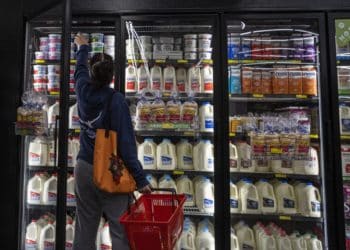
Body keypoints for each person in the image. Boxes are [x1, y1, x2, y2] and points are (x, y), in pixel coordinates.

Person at [73, 33, 151, 250]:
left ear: (91, 74)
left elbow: (79, 70)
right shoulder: (115, 100)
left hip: (84, 168)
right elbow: (126, 145)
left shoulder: (81, 89)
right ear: (112, 77)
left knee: (85, 227)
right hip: (110, 170)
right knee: (119, 229)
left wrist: (82, 47)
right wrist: (140, 179)